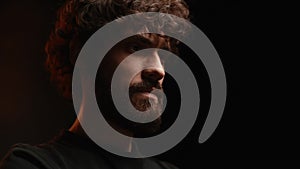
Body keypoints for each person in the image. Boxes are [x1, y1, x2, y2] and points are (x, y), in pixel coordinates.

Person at [0, 0, 190, 168]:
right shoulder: (32, 164)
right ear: (82, 53)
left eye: (163, 56)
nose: (159, 70)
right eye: (136, 48)